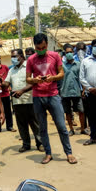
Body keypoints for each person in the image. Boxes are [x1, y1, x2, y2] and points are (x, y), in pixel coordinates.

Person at [26, 33, 77, 165]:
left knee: (61, 126)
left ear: (47, 44)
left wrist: (53, 78)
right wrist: (34, 80)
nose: (40, 51)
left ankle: (69, 152)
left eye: (42, 47)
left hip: (53, 95)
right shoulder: (31, 60)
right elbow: (27, 78)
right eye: (37, 48)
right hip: (38, 97)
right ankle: (48, 153)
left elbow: (61, 73)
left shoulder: (55, 56)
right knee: (42, 128)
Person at [3, 49, 43, 153]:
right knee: (21, 124)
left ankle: (40, 143)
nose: (13, 59)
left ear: (21, 56)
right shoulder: (11, 70)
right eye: (11, 57)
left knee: (35, 123)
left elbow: (34, 83)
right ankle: (26, 144)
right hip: (17, 102)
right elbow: (7, 83)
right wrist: (1, 85)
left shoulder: (29, 67)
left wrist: (22, 91)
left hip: (30, 100)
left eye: (14, 56)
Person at [60, 44, 86, 136]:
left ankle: (83, 129)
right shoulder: (61, 66)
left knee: (81, 111)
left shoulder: (78, 65)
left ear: (73, 52)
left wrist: (83, 90)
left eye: (71, 52)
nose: (69, 54)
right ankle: (71, 129)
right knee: (67, 112)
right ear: (65, 53)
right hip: (65, 92)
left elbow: (82, 78)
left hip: (76, 91)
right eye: (67, 52)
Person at [0, 53, 16, 133]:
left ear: (0, 58)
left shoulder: (5, 67)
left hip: (5, 92)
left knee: (8, 110)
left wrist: (9, 86)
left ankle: (10, 126)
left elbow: (9, 78)